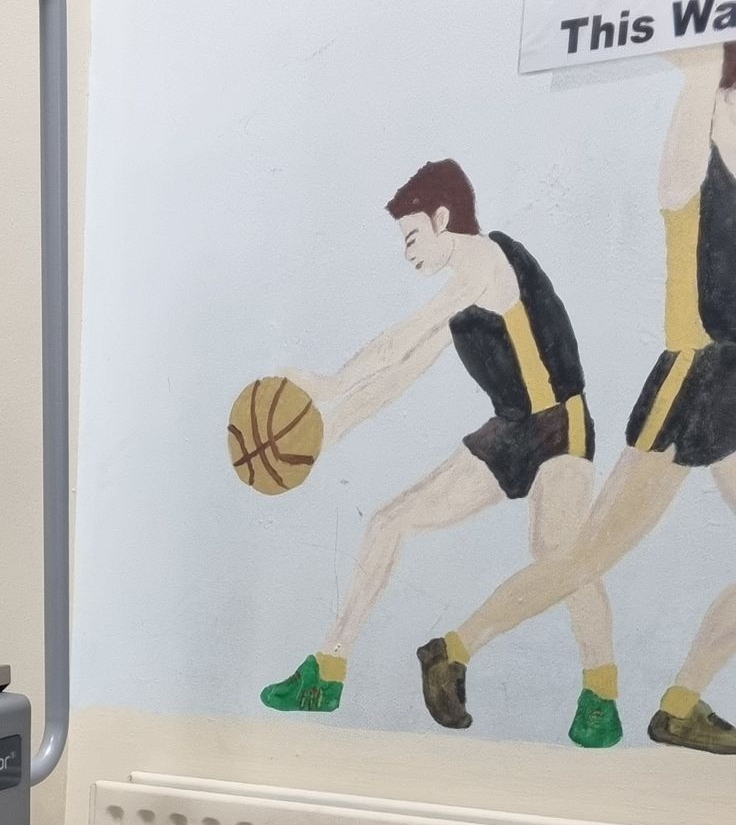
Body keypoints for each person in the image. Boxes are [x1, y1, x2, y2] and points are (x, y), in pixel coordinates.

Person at [422, 47, 736, 754]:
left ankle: (682, 702)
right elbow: (696, 70)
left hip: (735, 388)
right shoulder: (694, 155)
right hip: (696, 381)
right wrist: (700, 50)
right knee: (591, 555)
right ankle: (455, 647)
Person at [263, 162, 618, 746]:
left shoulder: (483, 259)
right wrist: (326, 432)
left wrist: (327, 384)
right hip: (510, 429)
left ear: (443, 218)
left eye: (410, 236)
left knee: (562, 556)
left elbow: (399, 342)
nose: (406, 253)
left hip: (559, 424)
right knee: (388, 522)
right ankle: (328, 671)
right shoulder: (461, 298)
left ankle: (601, 692)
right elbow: (396, 378)